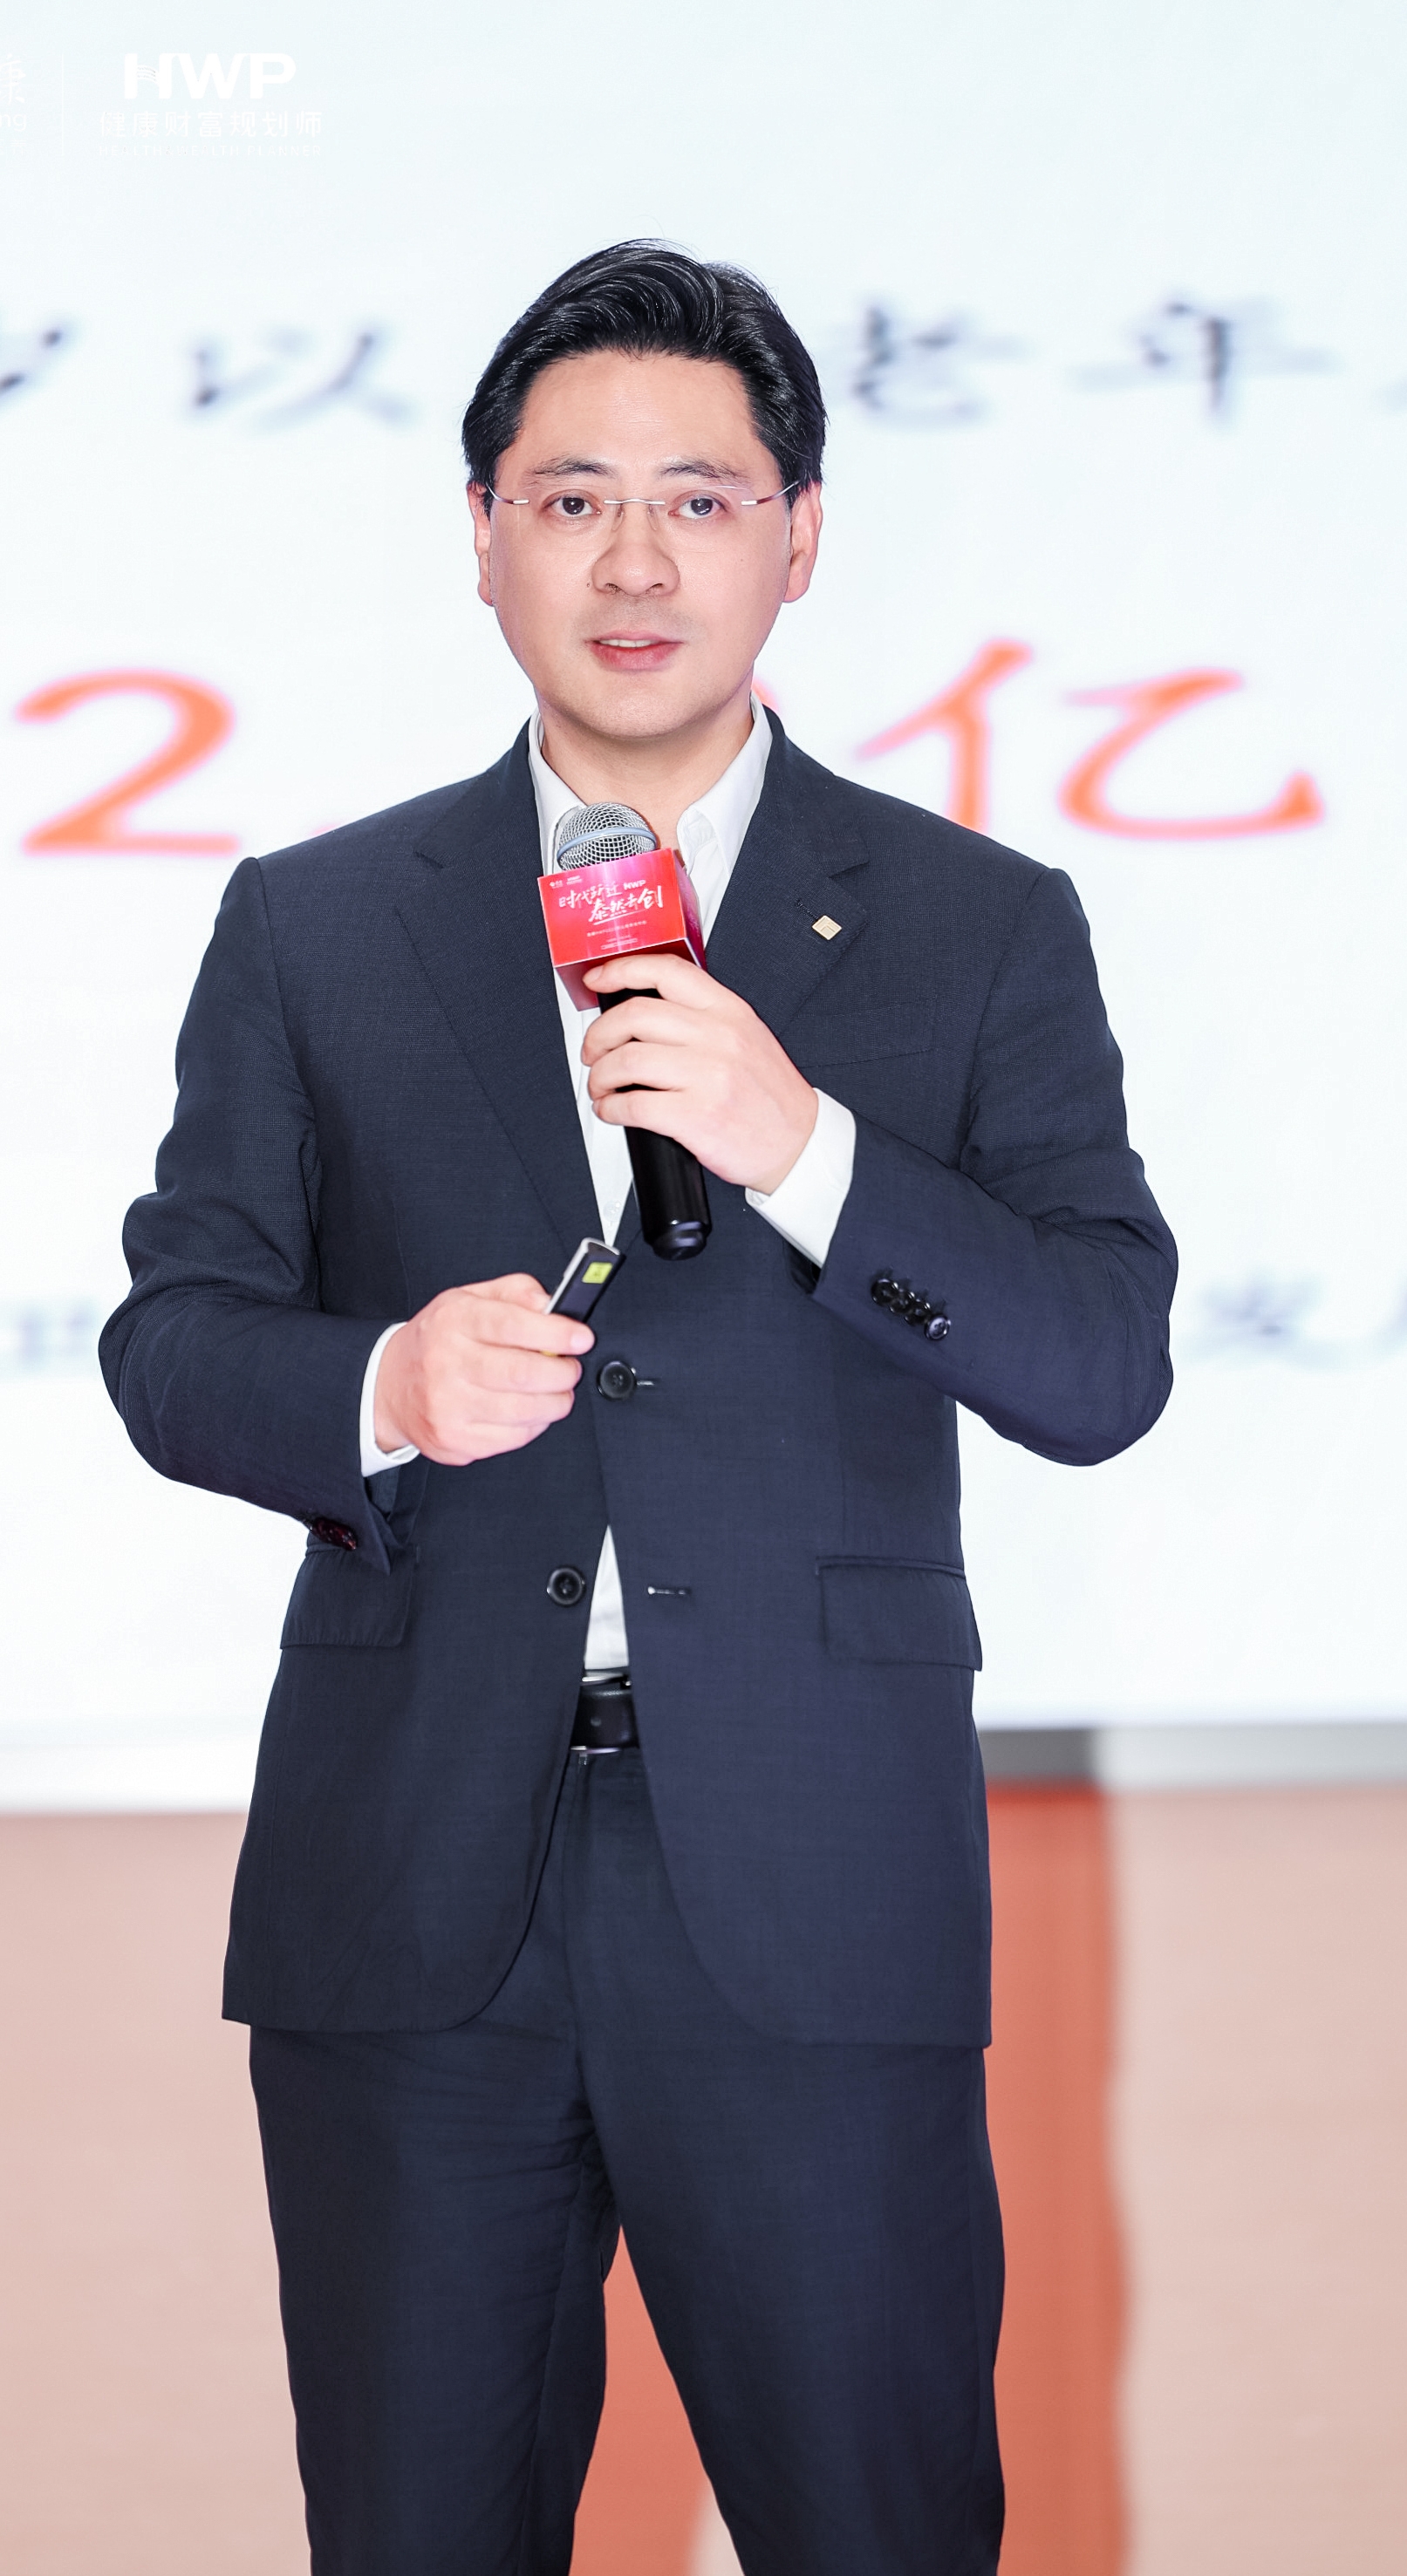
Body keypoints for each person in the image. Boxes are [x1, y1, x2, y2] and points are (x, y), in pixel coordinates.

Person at [101, 242, 1176, 2575]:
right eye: (570, 497)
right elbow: (172, 1337)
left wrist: (813, 1152)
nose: (633, 560)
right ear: (482, 535)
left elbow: (1101, 1365)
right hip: (415, 1892)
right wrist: (380, 1381)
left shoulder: (978, 924)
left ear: (802, 537)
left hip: (813, 1884)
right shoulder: (319, 921)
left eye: (699, 499)